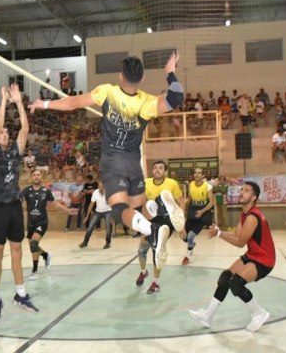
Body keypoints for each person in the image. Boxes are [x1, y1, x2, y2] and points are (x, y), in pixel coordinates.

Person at [29, 53, 184, 267]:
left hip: (113, 161)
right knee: (137, 213)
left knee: (120, 212)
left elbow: (73, 103)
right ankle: (157, 208)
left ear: (121, 76)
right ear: (142, 77)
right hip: (133, 163)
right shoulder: (147, 102)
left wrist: (44, 104)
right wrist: (170, 73)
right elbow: (177, 97)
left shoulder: (107, 92)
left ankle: (153, 227)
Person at [188, 182, 274, 332]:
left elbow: (240, 242)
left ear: (254, 197)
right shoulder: (245, 213)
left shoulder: (253, 216)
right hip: (253, 255)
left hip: (264, 259)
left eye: (246, 191)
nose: (242, 192)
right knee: (225, 278)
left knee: (236, 283)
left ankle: (259, 313)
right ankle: (208, 316)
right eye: (242, 189)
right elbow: (236, 235)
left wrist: (220, 234)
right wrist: (218, 231)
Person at [0, 84, 38, 322]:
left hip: (14, 208)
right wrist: (2, 102)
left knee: (17, 251)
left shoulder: (14, 152)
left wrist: (18, 102)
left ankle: (20, 294)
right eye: (2, 134)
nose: (5, 135)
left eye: (7, 134)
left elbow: (25, 129)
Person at [135, 160, 184, 294]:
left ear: (165, 171)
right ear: (152, 171)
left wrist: (181, 225)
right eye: (155, 168)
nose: (157, 170)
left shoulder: (171, 184)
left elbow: (181, 201)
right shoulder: (147, 183)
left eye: (160, 168)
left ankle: (156, 283)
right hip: (151, 218)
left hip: (167, 220)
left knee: (157, 248)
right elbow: (143, 203)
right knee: (142, 248)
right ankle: (143, 272)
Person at [20, 169, 72, 280]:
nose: (36, 177)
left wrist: (67, 210)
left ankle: (34, 271)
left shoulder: (46, 191)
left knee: (34, 244)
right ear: (31, 177)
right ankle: (46, 255)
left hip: (42, 222)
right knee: (33, 247)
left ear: (41, 177)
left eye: (38, 175)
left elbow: (56, 205)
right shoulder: (27, 190)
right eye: (34, 175)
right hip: (31, 223)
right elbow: (17, 202)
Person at [181, 167, 214, 265]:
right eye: (195, 173)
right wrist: (187, 200)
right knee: (184, 236)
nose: (197, 174)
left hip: (203, 214)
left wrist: (202, 211)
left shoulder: (208, 186)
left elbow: (212, 202)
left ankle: (187, 255)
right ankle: (192, 244)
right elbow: (191, 196)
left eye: (199, 173)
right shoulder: (191, 184)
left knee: (191, 236)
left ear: (203, 175)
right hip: (192, 211)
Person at [79, 182, 113, 249]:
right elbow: (91, 204)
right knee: (90, 227)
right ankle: (85, 242)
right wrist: (87, 216)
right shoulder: (95, 193)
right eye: (99, 186)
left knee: (108, 227)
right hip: (98, 211)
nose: (100, 188)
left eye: (101, 187)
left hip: (108, 211)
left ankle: (108, 243)